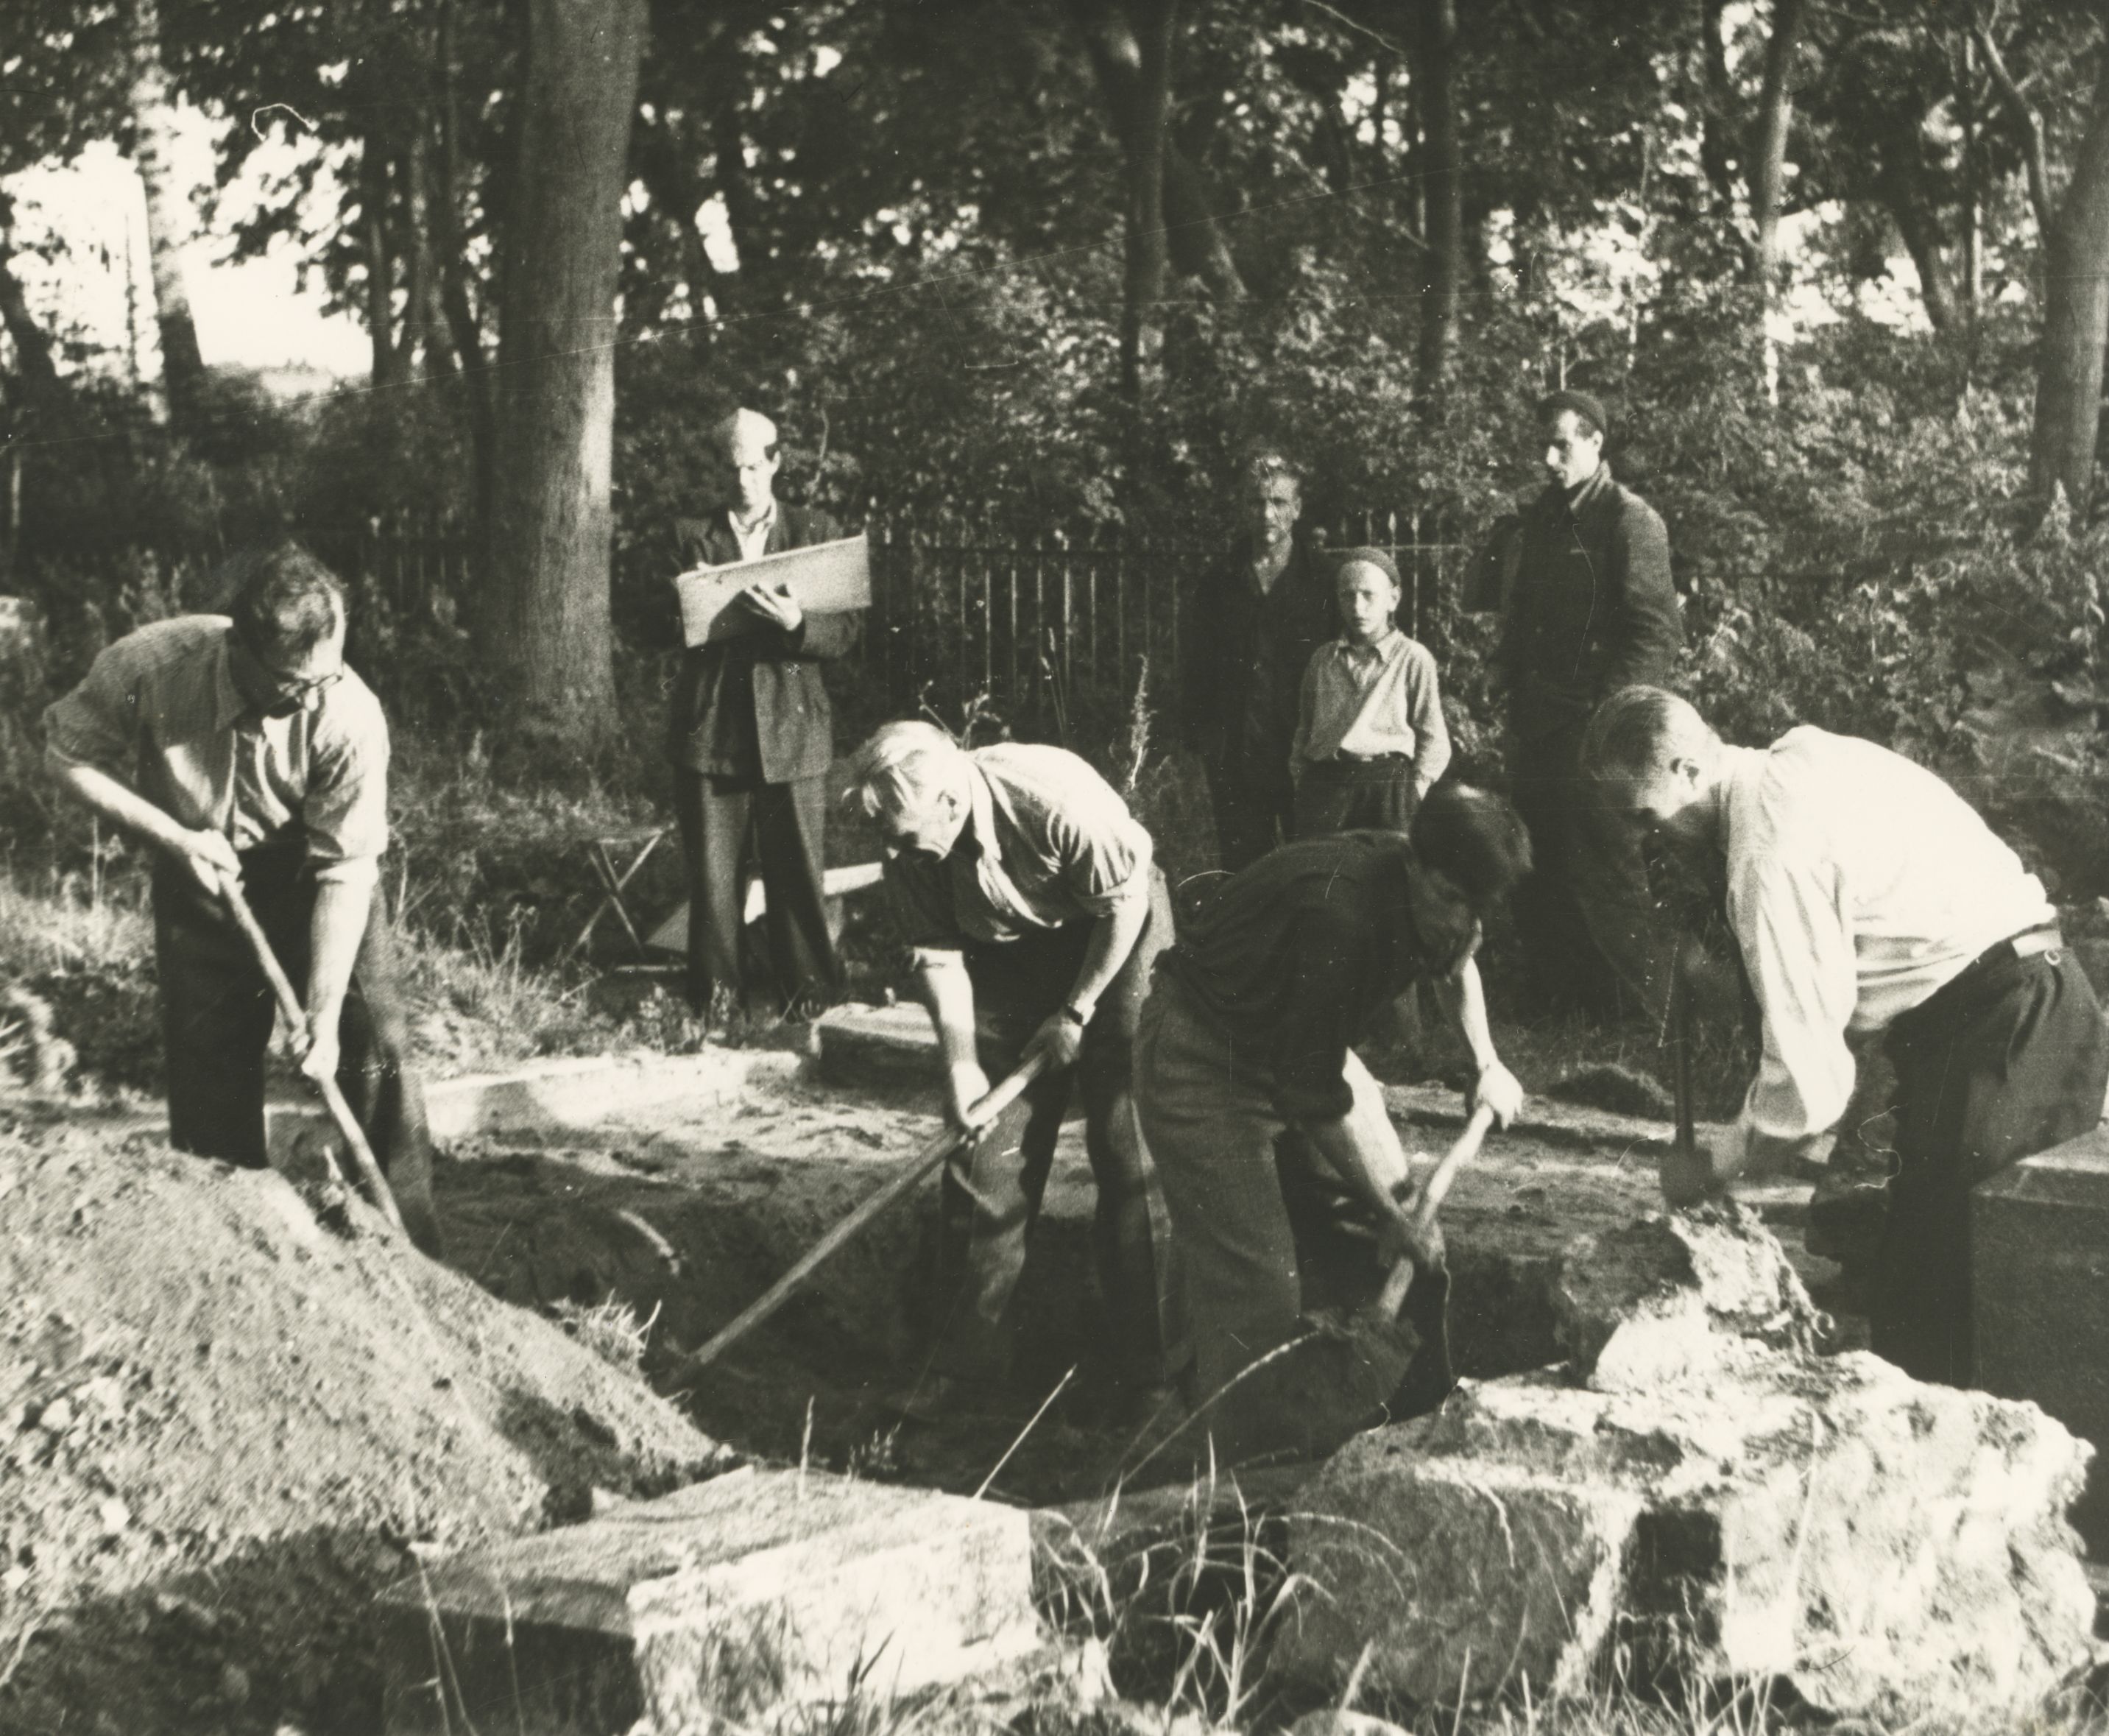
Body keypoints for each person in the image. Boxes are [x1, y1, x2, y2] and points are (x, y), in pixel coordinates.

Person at [1581, 685, 2109, 1388]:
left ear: (1686, 769)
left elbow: (1806, 1087)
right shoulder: (1796, 758)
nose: (1651, 840)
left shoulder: (1766, 855)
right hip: (2001, 1007)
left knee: (1961, 1306)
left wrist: (1713, 1167)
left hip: (2009, 1026)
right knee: (1932, 1283)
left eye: (1647, 818)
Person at [42, 543, 443, 1257]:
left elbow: (347, 871)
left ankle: (413, 1252)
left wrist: (319, 1012)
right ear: (242, 650)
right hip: (194, 869)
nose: (317, 694)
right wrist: (173, 837)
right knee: (208, 1071)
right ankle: (232, 1263)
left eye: (332, 672)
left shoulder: (347, 711)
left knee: (375, 1044)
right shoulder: (152, 668)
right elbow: (67, 756)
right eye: (296, 685)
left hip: (310, 872)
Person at [1134, 786, 1530, 1464]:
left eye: (1475, 907)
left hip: (1292, 1038)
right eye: (1446, 899)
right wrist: (1385, 1212)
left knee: (1409, 1222)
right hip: (1204, 1053)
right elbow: (1312, 1096)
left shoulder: (1445, 899)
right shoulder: (1340, 914)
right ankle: (1238, 1478)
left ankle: (1386, 1422)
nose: (1456, 920)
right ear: (1411, 864)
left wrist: (1486, 1062)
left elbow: (1455, 965)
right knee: (1256, 1285)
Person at [843, 721, 1178, 1421]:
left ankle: (1149, 1373)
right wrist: (961, 1067)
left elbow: (1123, 905)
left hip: (1117, 934)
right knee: (984, 1153)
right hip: (1008, 947)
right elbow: (937, 956)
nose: (892, 853)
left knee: (1126, 1141)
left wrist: (1077, 1013)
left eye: (903, 834)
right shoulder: (912, 852)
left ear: (947, 802)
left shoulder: (1052, 801)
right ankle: (963, 1368)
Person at [668, 406, 861, 1026]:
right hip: (712, 730)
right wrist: (689, 605)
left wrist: (797, 625)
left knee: (798, 872)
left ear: (775, 463)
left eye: (754, 465)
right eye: (732, 467)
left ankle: (808, 1005)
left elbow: (846, 630)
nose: (743, 479)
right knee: (714, 880)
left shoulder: (814, 530)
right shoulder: (688, 537)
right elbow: (649, 624)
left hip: (793, 729)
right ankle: (716, 1010)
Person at [1493, 389, 1682, 1018]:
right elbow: (1519, 614)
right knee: (1536, 868)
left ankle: (1645, 1022)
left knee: (1607, 874)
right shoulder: (1539, 518)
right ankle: (1561, 1010)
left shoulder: (1630, 521)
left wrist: (1608, 725)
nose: (1549, 458)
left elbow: (1652, 634)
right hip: (1536, 724)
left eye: (1562, 445)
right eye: (1543, 444)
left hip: (1594, 731)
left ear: (1595, 444)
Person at [1181, 451, 1338, 872]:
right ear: (1242, 507)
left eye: (1279, 502)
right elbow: (1197, 665)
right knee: (1244, 873)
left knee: (1310, 866)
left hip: (1306, 754)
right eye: (1256, 502)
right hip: (1237, 756)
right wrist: (1204, 739)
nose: (1267, 513)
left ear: (1298, 508)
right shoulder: (1219, 582)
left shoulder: (1325, 579)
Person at [1290, 547, 1451, 838]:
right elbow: (1305, 728)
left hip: (1386, 788)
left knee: (1386, 875)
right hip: (1326, 785)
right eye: (1348, 595)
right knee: (1321, 875)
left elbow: (1434, 738)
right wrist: (1304, 780)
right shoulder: (1322, 660)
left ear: (1393, 599)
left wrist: (1414, 789)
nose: (1357, 607)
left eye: (1368, 595)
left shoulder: (1413, 658)